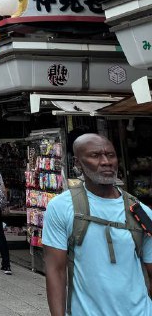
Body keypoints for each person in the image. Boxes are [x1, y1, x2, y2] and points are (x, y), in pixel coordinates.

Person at [44, 134, 152, 316]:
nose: (106, 161)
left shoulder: (140, 212)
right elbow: (56, 270)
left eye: (110, 155)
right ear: (77, 163)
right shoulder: (62, 207)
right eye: (95, 156)